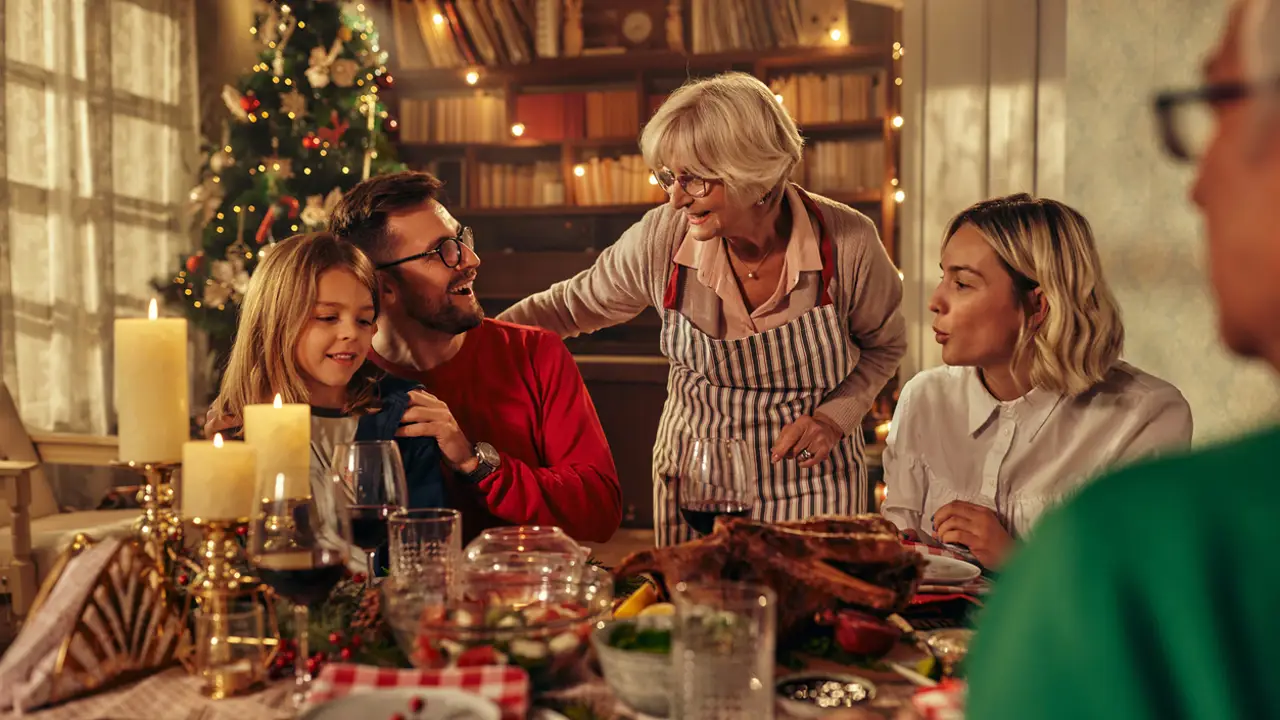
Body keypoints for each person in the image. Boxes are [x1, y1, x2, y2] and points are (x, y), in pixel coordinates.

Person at [966, 2, 1280, 717]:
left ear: (1037, 302)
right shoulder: (930, 399)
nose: (1198, 184)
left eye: (1220, 104)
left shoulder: (1137, 554)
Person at [499, 72, 907, 546]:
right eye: (669, 176)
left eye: (693, 179)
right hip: (696, 482)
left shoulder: (850, 243)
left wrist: (834, 418)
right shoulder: (662, 236)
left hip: (814, 482)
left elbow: (886, 346)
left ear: (752, 172)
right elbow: (568, 308)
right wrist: (468, 340)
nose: (674, 197)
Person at [880, 194, 1192, 568]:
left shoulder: (1145, 414)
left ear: (1038, 305)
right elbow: (897, 554)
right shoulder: (923, 399)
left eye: (962, 283)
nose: (935, 300)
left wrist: (1015, 560)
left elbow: (1138, 589)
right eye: (942, 276)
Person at [326, 171, 622, 544]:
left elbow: (600, 511)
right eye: (442, 251)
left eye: (461, 239)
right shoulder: (341, 373)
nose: (471, 259)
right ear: (384, 287)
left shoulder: (535, 353)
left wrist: (475, 462)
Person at [208, 232, 445, 509]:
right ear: (276, 322)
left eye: (364, 320)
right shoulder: (234, 426)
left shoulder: (405, 417)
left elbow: (425, 535)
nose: (350, 333)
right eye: (328, 317)